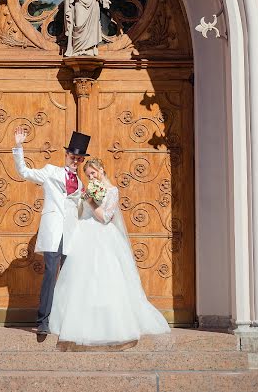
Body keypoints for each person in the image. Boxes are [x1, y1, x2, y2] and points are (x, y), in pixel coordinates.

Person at [49, 157, 170, 345]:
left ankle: (108, 322)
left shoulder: (113, 191)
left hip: (103, 237)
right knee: (81, 279)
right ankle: (78, 319)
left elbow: (105, 217)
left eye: (93, 173)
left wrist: (91, 202)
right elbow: (81, 213)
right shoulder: (89, 189)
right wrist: (81, 202)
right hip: (84, 236)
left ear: (102, 170)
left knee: (104, 278)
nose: (91, 177)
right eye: (88, 175)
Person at [13, 127, 90, 335]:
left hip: (72, 234)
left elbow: (81, 210)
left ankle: (65, 319)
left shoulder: (82, 184)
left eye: (79, 159)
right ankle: (43, 321)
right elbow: (24, 172)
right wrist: (18, 147)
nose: (76, 162)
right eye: (73, 157)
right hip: (53, 231)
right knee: (50, 273)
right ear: (66, 155)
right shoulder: (50, 172)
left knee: (68, 277)